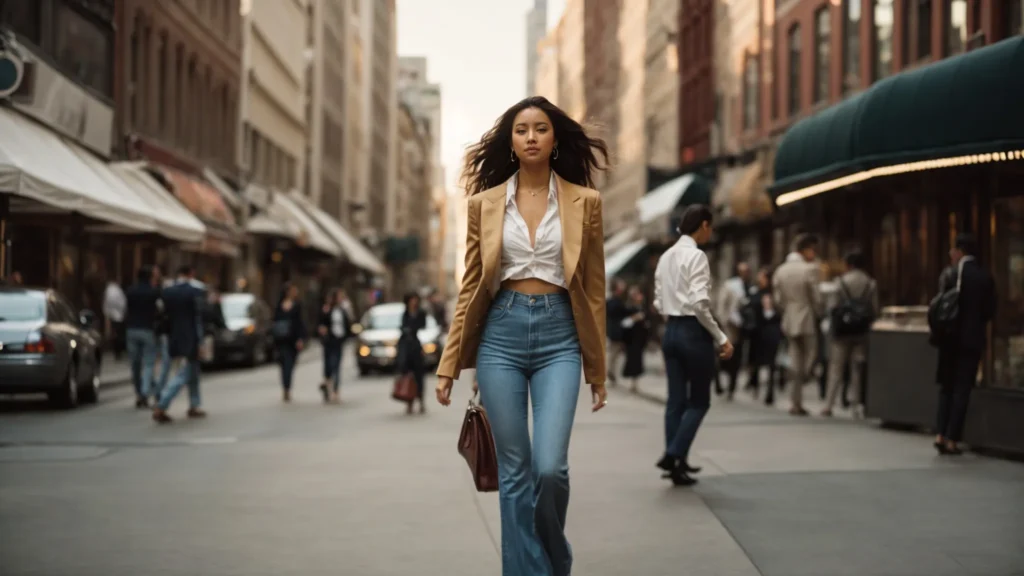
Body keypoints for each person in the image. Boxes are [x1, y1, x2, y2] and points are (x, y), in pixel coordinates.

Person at [433, 96, 609, 576]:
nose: (531, 137)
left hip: (560, 337)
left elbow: (593, 292)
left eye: (540, 129)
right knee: (515, 474)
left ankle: (554, 557)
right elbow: (471, 286)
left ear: (555, 139)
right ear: (510, 141)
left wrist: (598, 370)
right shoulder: (483, 206)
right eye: (521, 130)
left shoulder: (585, 203)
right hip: (501, 338)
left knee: (550, 469)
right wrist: (449, 365)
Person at [653, 205, 733, 487]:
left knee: (675, 401)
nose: (710, 233)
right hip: (692, 332)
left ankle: (678, 465)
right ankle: (673, 453)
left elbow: (658, 301)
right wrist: (721, 337)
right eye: (710, 227)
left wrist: (673, 316)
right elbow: (700, 304)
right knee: (699, 401)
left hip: (671, 331)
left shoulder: (666, 256)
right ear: (703, 225)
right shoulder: (696, 256)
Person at [933, 233, 995, 455]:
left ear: (959, 251)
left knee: (946, 388)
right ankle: (952, 439)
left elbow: (938, 304)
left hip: (949, 339)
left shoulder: (950, 274)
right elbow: (989, 311)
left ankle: (940, 433)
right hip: (971, 341)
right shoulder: (983, 276)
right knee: (962, 389)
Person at [772, 234, 824, 416]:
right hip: (806, 316)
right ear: (806, 249)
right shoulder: (809, 269)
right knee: (811, 354)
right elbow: (816, 296)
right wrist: (819, 312)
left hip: (789, 317)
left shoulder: (781, 271)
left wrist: (786, 309)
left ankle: (796, 401)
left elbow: (777, 299)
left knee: (795, 359)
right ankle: (806, 377)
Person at [822, 251, 878, 418]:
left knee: (836, 368)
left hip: (842, 331)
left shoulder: (840, 282)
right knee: (857, 368)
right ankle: (856, 406)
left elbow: (832, 307)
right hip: (861, 331)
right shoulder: (870, 283)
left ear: (849, 265)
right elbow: (874, 308)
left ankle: (829, 404)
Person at [152, 265, 207, 423]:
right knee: (186, 373)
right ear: (191, 274)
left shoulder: (168, 292)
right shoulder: (194, 291)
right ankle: (162, 404)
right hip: (191, 337)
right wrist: (200, 341)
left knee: (193, 371)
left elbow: (163, 315)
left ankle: (194, 405)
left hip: (173, 336)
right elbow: (197, 319)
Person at [125, 265, 161, 409]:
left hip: (131, 329)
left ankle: (140, 393)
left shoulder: (130, 291)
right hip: (147, 329)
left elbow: (126, 309)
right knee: (149, 364)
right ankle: (146, 393)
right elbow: (159, 310)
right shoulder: (153, 292)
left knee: (135, 364)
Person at [716, 262, 753, 399]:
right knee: (725, 358)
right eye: (742, 271)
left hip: (742, 328)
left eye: (747, 271)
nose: (745, 273)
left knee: (737, 359)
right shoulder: (730, 286)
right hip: (729, 328)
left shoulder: (750, 287)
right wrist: (724, 323)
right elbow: (721, 307)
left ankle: (731, 387)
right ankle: (720, 383)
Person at [749, 266, 783, 405]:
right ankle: (755, 385)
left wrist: (770, 308)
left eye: (762, 276)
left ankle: (770, 391)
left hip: (771, 331)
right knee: (756, 361)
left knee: (771, 362)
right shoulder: (756, 292)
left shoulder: (776, 294)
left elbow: (779, 311)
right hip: (757, 331)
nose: (759, 279)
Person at [273, 283, 307, 403]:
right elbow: (275, 321)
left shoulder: (297, 306)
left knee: (290, 364)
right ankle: (286, 388)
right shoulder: (279, 305)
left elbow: (300, 322)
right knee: (284, 364)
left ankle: (287, 386)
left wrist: (301, 338)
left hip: (293, 340)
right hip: (282, 340)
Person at [318, 288, 352, 404]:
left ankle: (334, 390)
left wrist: (346, 336)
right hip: (329, 340)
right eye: (339, 296)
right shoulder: (327, 309)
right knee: (329, 364)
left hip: (339, 340)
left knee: (336, 365)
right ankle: (327, 384)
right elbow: (321, 324)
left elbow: (348, 323)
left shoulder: (342, 309)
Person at [398, 292, 429, 414]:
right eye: (412, 300)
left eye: (415, 300)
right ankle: (409, 401)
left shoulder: (420, 313)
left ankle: (421, 400)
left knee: (419, 376)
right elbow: (402, 327)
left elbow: (422, 325)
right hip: (406, 348)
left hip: (416, 347)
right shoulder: (405, 313)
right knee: (407, 375)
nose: (413, 302)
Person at [621, 285, 650, 393]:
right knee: (632, 361)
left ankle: (636, 383)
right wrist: (634, 318)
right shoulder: (628, 308)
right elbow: (624, 324)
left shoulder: (642, 308)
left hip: (640, 339)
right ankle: (633, 384)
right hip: (631, 339)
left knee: (638, 361)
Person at [605, 277, 628, 386]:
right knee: (614, 353)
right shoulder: (617, 302)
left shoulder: (611, 301)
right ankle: (610, 371)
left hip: (611, 330)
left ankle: (611, 371)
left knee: (613, 352)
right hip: (617, 331)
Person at [103, 278, 127, 360]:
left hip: (112, 315)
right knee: (118, 334)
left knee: (115, 334)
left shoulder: (109, 290)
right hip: (118, 316)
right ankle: (118, 351)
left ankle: (117, 351)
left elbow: (106, 303)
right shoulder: (116, 290)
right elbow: (122, 303)